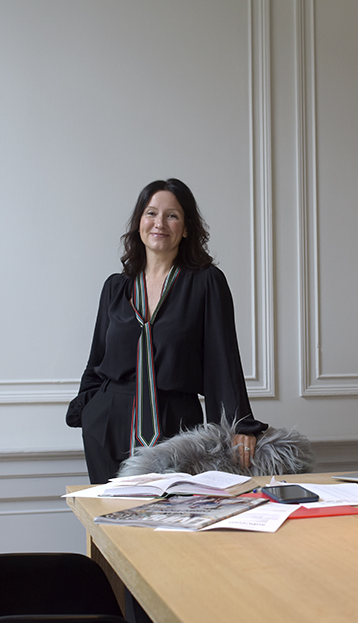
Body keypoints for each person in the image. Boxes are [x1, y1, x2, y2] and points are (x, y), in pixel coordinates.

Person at [67, 178, 267, 484]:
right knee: (112, 522)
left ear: (186, 228)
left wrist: (238, 426)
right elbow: (97, 359)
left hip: (177, 425)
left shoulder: (206, 283)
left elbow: (222, 359)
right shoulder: (115, 288)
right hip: (109, 423)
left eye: (172, 215)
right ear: (139, 223)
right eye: (151, 213)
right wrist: (89, 410)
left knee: (171, 523)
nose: (160, 223)